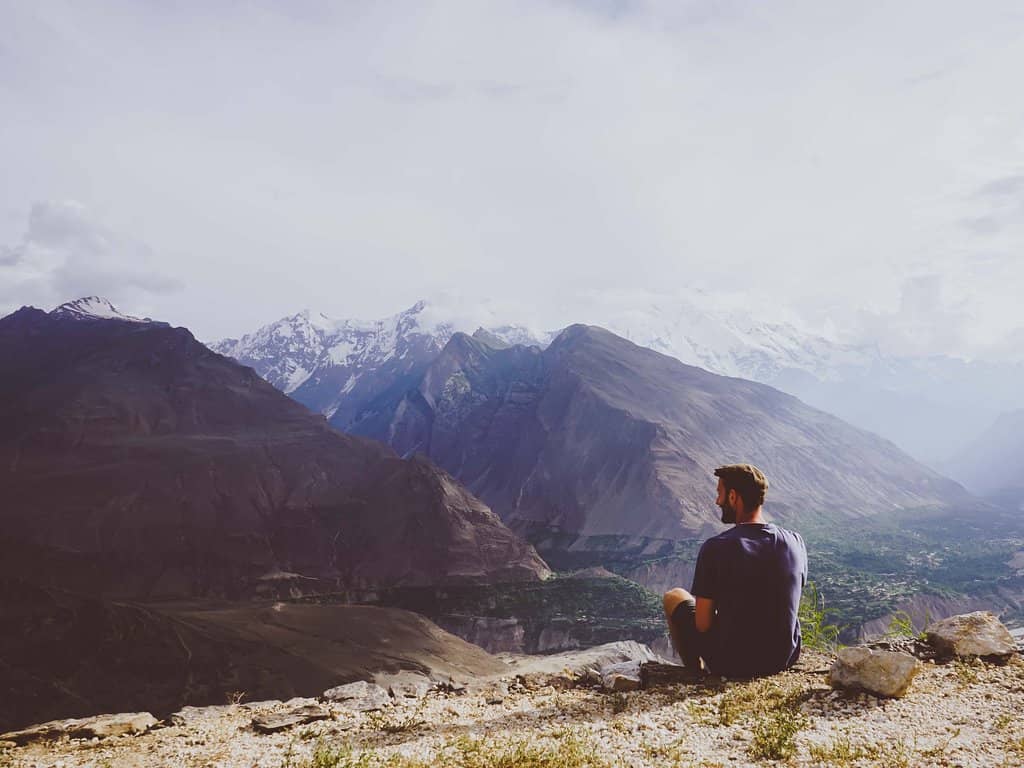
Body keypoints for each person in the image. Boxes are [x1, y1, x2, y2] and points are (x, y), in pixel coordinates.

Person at [662, 463, 807, 678]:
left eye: (720, 494)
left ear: (733, 497)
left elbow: (702, 624)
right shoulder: (795, 541)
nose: (717, 501)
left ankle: (695, 673)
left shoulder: (716, 547)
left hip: (733, 663)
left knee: (673, 596)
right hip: (782, 658)